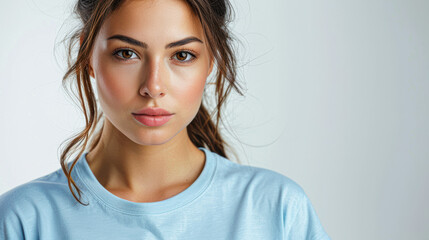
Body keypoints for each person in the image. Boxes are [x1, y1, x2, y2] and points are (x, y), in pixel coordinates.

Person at [0, 0, 330, 239]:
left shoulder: (277, 208)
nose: (153, 86)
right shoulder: (25, 220)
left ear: (211, 60)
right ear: (87, 54)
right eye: (126, 53)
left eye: (182, 55)